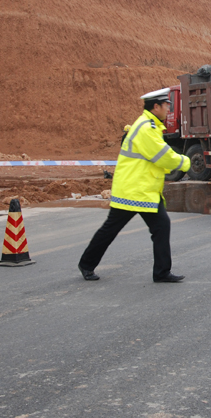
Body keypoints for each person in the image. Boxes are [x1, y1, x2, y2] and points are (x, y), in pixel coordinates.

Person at [78, 89, 191, 282]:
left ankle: (162, 272)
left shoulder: (151, 126)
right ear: (156, 107)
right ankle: (86, 264)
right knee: (111, 229)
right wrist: (186, 162)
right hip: (133, 191)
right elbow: (163, 156)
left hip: (143, 191)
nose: (168, 109)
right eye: (166, 106)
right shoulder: (146, 128)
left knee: (161, 226)